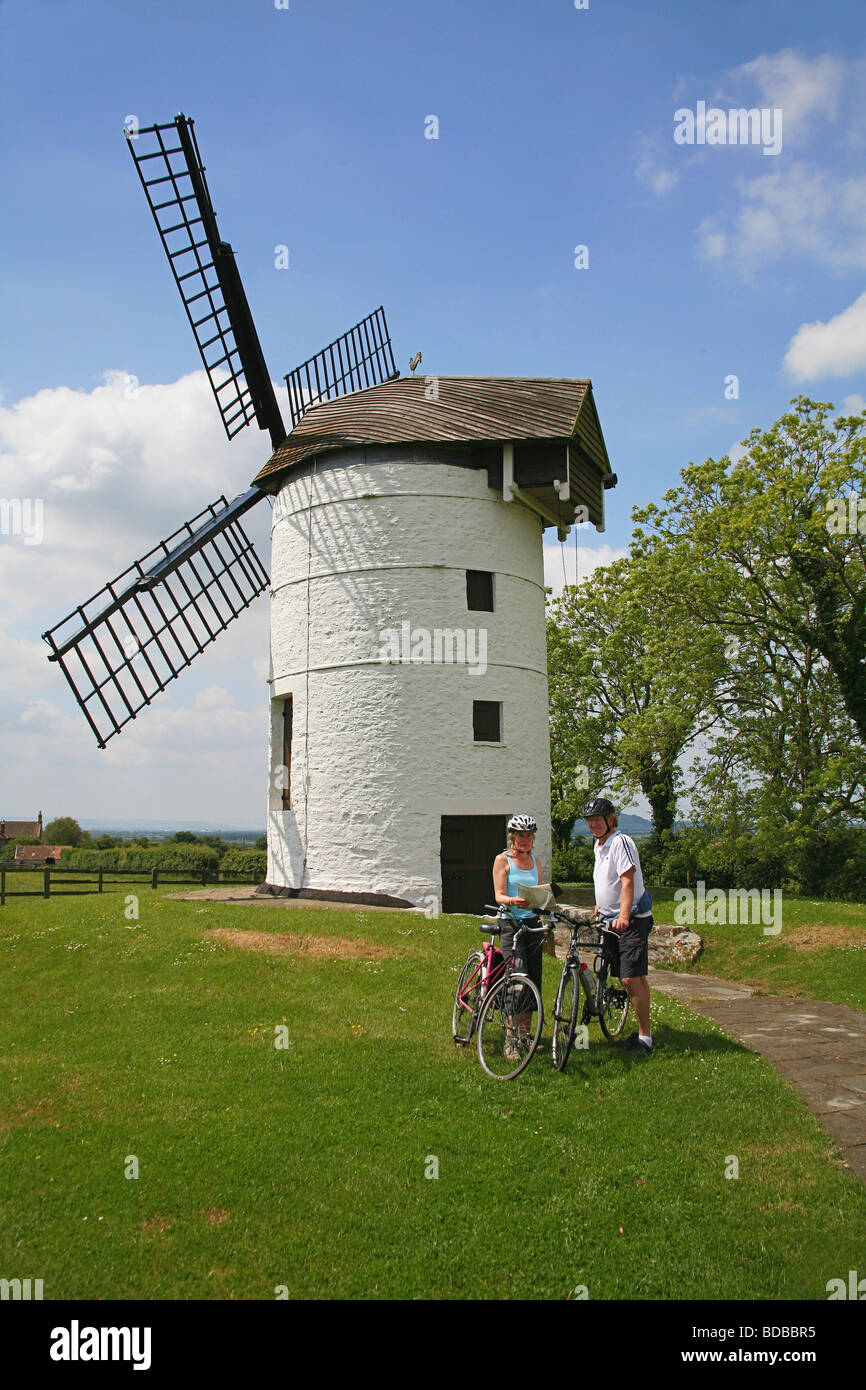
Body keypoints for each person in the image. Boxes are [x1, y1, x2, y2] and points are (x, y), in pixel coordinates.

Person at [583, 797, 654, 1055]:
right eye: (590, 821)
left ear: (610, 820)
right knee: (625, 976)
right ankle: (638, 1027)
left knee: (630, 977)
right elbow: (605, 880)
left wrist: (624, 915)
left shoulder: (620, 842)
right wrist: (600, 905)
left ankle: (645, 1038)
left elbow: (627, 881)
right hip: (609, 918)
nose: (593, 825)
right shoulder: (599, 845)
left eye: (598, 820)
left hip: (631, 919)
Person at [492, 814, 545, 1062]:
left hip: (532, 922)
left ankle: (526, 1035)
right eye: (521, 835)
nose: (525, 839)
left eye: (529, 835)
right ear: (512, 837)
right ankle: (510, 1039)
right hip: (510, 922)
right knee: (517, 977)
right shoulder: (502, 860)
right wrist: (513, 901)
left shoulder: (536, 861)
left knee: (534, 977)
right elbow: (499, 896)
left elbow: (538, 893)